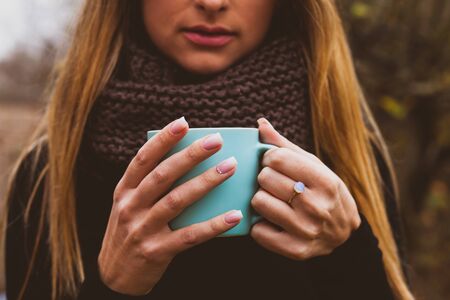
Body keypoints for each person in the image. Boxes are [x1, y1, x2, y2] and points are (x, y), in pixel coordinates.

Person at [3, 0, 415, 299]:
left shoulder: (349, 156)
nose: (213, 3)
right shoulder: (49, 174)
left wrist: (346, 252)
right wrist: (115, 286)